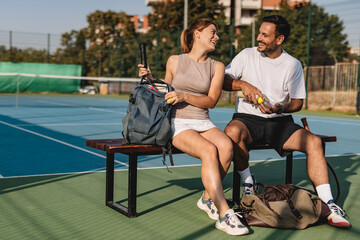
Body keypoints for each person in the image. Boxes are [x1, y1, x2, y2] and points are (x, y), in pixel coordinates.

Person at [223, 15, 350, 229]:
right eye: (260, 32)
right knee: (232, 132)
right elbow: (225, 80)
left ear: (279, 39)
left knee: (315, 143)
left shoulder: (293, 64)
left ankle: (329, 204)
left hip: (280, 120)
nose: (259, 38)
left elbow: (298, 102)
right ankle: (248, 185)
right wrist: (243, 85)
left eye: (265, 34)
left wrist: (281, 107)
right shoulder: (246, 55)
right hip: (247, 119)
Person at [138, 19, 249, 236]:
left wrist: (184, 95)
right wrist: (149, 78)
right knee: (209, 150)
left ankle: (208, 198)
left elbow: (211, 101)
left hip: (203, 121)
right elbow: (163, 92)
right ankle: (224, 213)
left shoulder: (216, 67)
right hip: (178, 121)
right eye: (213, 32)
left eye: (217, 34)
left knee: (226, 147)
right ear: (197, 34)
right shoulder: (174, 61)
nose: (217, 37)